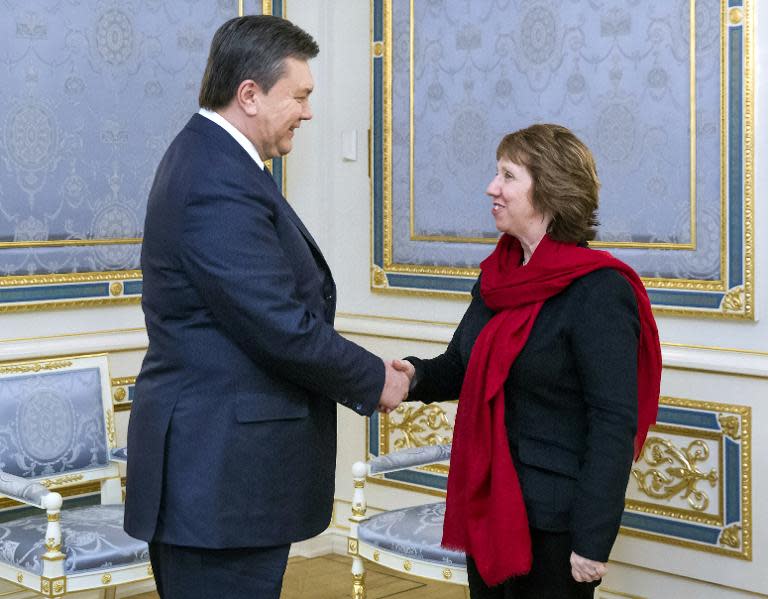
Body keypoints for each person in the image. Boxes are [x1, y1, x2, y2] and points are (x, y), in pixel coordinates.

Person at [124, 16, 409, 599]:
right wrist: (374, 377)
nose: (307, 112)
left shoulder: (214, 161)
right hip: (218, 485)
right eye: (300, 96)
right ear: (249, 95)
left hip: (223, 481)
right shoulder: (214, 179)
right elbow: (279, 325)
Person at [393, 124, 661, 599]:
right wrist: (413, 376)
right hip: (489, 499)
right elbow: (462, 363)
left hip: (555, 522)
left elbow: (613, 421)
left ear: (551, 191)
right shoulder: (498, 275)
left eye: (508, 176)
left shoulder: (598, 290)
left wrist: (593, 538)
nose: (491, 188)